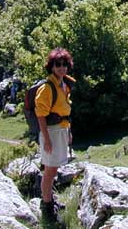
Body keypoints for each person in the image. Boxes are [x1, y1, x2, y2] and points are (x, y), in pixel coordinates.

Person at [35, 47, 75, 222]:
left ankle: (49, 200)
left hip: (61, 130)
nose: (61, 67)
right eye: (57, 64)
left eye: (64, 64)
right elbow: (40, 115)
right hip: (51, 132)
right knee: (49, 171)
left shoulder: (63, 84)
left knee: (54, 168)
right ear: (51, 66)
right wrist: (47, 139)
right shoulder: (47, 87)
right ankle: (47, 208)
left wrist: (68, 132)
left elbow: (65, 110)